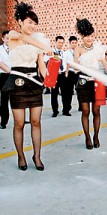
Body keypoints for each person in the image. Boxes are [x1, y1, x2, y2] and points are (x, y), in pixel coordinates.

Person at [2, 1, 52, 171]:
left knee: (36, 122)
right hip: (17, 83)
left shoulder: (38, 41)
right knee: (19, 123)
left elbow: (41, 65)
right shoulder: (14, 34)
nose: (33, 26)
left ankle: (37, 157)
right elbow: (23, 37)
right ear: (21, 21)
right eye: (30, 22)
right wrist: (45, 46)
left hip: (34, 84)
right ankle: (21, 156)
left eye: (35, 23)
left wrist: (49, 78)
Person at [74, 18, 107, 150]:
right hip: (83, 82)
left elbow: (104, 63)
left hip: (97, 83)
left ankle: (96, 136)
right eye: (87, 36)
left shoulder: (98, 48)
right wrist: (76, 66)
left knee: (96, 111)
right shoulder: (78, 48)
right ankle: (87, 137)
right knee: (85, 111)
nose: (90, 39)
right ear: (82, 37)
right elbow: (75, 64)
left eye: (92, 36)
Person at [64, 36, 78, 114]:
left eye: (75, 43)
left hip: (78, 73)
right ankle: (66, 110)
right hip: (70, 73)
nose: (74, 44)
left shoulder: (79, 52)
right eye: (73, 43)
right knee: (68, 92)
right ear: (69, 43)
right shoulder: (66, 53)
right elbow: (65, 63)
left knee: (80, 90)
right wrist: (66, 72)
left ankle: (81, 107)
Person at [0, 31, 10, 129]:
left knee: (18, 98)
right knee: (4, 100)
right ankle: (4, 121)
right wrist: (10, 71)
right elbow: (0, 63)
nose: (9, 40)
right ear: (3, 39)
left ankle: (21, 119)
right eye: (7, 38)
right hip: (4, 76)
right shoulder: (0, 49)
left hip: (15, 76)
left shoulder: (15, 49)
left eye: (10, 38)